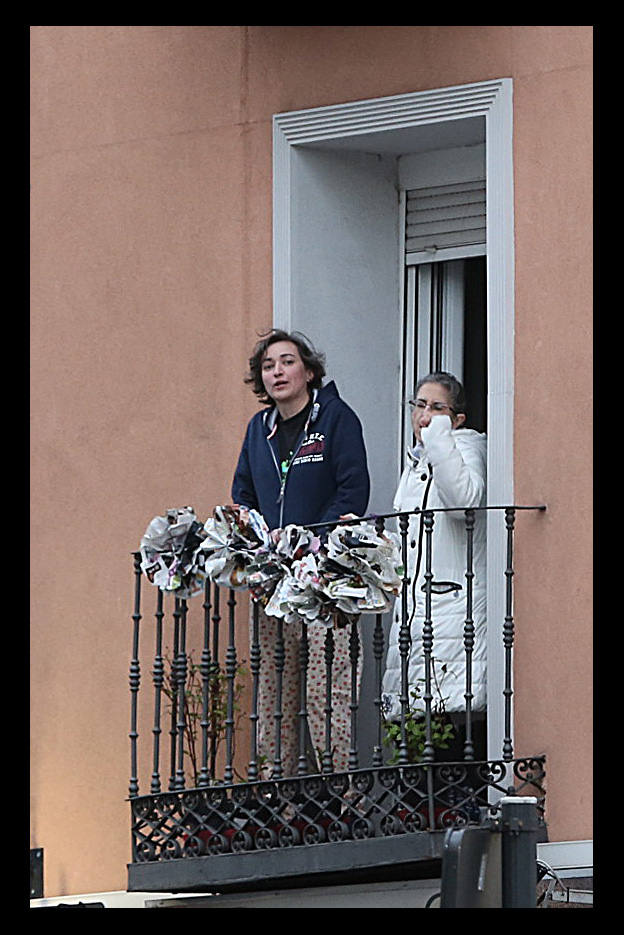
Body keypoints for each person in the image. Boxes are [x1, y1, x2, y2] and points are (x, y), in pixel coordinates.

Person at [232, 329, 370, 777]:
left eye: (287, 362)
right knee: (273, 689)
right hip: (274, 579)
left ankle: (339, 790)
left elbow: (353, 490)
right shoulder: (259, 429)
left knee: (325, 690)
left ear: (309, 371)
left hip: (324, 579)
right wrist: (259, 540)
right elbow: (243, 493)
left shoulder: (334, 418)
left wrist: (312, 537)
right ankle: (278, 792)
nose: (277, 372)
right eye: (269, 366)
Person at [381, 371, 488, 764]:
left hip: (451, 610)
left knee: (450, 722)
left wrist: (440, 438)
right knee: (418, 730)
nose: (425, 416)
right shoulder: (416, 463)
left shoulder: (467, 447)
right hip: (417, 611)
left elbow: (463, 503)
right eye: (420, 405)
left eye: (437, 408)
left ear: (457, 419)